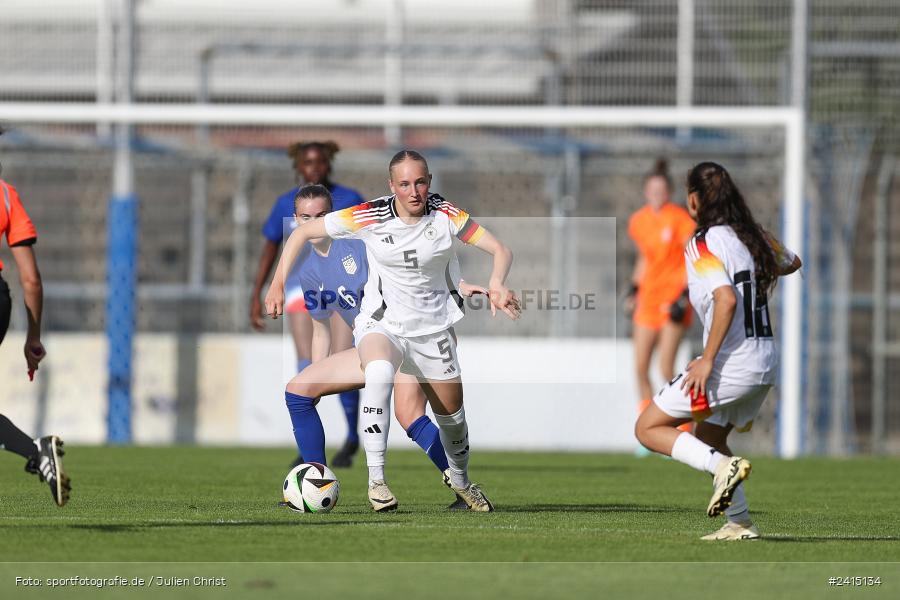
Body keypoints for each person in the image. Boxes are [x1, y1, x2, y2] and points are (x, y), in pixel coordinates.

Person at [266, 150, 520, 513]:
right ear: (392, 186)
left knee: (442, 421)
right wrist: (276, 286)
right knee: (316, 386)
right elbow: (319, 317)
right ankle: (363, 482)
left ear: (429, 181)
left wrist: (486, 284)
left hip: (430, 333)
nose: (413, 191)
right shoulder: (350, 235)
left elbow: (476, 256)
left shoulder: (436, 218)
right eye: (404, 184)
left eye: (419, 182)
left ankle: (461, 482)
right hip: (380, 330)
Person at [292, 183, 488, 511]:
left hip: (409, 334)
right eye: (305, 216)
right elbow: (320, 329)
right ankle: (317, 481)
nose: (313, 221)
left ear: (333, 215)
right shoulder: (310, 273)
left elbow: (417, 270)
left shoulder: (359, 243)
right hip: (373, 341)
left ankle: (459, 485)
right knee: (299, 391)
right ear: (297, 221)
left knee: (410, 415)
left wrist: (458, 285)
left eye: (322, 214)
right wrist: (318, 376)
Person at [634, 162, 801, 541]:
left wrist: (706, 360)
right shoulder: (751, 237)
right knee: (709, 437)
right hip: (764, 362)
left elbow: (724, 299)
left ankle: (723, 467)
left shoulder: (702, 242)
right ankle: (740, 523)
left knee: (647, 428)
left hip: (732, 364)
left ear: (693, 201)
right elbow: (792, 262)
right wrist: (755, 244)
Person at [249, 141, 365, 467]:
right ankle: (310, 443)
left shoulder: (350, 199)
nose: (313, 168)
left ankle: (352, 436)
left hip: (343, 288)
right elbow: (270, 248)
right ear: (298, 166)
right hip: (303, 289)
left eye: (319, 162)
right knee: (308, 366)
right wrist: (257, 292)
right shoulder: (285, 203)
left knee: (344, 360)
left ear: (328, 164)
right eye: (307, 163)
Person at [0, 174, 70, 507]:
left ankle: (36, 451)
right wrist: (33, 337)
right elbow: (32, 280)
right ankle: (37, 453)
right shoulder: (6, 195)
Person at [626, 159, 697, 444]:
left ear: (667, 191)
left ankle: (682, 427)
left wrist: (685, 295)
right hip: (648, 300)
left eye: (661, 189)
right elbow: (645, 257)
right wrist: (633, 289)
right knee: (641, 368)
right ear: (646, 191)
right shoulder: (639, 221)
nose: (656, 193)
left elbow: (693, 258)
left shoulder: (680, 219)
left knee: (665, 368)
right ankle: (647, 430)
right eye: (652, 189)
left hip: (673, 300)